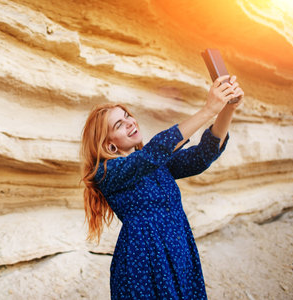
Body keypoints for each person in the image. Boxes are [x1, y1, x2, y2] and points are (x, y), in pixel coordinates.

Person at [80, 75, 244, 299]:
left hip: (178, 248)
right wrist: (207, 110)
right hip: (144, 261)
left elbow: (202, 156)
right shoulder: (107, 173)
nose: (130, 122)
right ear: (110, 144)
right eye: (119, 124)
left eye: (128, 116)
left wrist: (228, 108)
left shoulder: (155, 162)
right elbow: (154, 151)